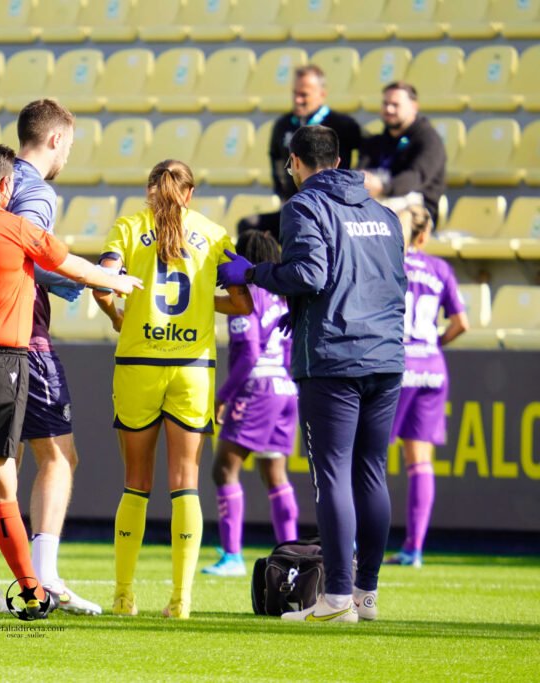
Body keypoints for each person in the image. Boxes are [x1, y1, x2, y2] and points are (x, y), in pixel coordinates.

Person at [0, 143, 142, 621]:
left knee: (4, 485)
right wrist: (116, 283)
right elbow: (69, 264)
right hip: (0, 366)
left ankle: (32, 592)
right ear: (5, 185)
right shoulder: (15, 228)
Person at [217, 126, 406, 623]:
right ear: (340, 161)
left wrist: (252, 274)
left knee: (333, 474)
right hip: (386, 357)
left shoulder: (303, 206)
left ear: (295, 163)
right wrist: (300, 311)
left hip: (333, 360)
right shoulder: (384, 215)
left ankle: (336, 598)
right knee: (371, 473)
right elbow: (387, 284)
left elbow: (309, 274)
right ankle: (365, 596)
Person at [94, 160, 253, 619]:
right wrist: (203, 299)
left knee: (135, 482)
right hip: (191, 368)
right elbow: (243, 302)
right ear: (190, 193)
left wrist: (117, 316)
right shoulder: (214, 234)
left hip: (138, 363)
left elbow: (103, 286)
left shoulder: (128, 228)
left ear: (149, 190)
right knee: (186, 484)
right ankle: (181, 600)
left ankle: (123, 596)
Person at [0, 99, 102, 616]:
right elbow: (22, 253)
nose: (68, 155)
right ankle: (44, 578)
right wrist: (78, 282)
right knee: (59, 457)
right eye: (70, 145)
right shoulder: (38, 192)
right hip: (25, 337)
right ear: (56, 140)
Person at [201, 229, 300, 578]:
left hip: (257, 389)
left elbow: (248, 355)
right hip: (285, 389)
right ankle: (292, 554)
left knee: (224, 469)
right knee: (275, 474)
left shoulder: (246, 296)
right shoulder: (284, 297)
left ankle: (232, 555)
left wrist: (223, 396)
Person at [387, 206, 468, 568]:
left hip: (394, 366)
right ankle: (414, 549)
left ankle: (354, 544)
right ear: (425, 235)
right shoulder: (440, 269)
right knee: (420, 462)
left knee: (366, 457)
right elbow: (461, 323)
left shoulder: (389, 263)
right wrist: (433, 344)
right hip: (431, 369)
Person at [238, 65, 362, 241]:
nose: (297, 100)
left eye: (304, 95)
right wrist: (283, 194)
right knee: (249, 226)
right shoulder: (283, 125)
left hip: (333, 209)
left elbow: (367, 154)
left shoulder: (343, 125)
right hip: (295, 206)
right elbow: (276, 160)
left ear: (322, 94)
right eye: (295, 93)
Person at [359, 82, 447, 226]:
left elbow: (416, 177)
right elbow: (361, 172)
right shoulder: (375, 142)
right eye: (385, 103)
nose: (389, 109)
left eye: (395, 104)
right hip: (378, 203)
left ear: (414, 107)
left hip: (417, 211)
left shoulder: (429, 139)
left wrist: (383, 187)